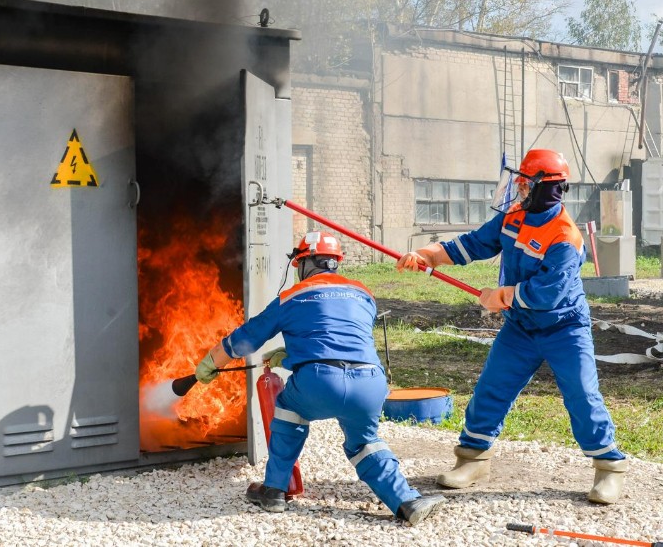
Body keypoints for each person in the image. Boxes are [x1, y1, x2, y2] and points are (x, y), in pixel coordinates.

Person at [396, 149, 628, 504]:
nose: (518, 187)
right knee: (492, 388)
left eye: (525, 181)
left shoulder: (565, 237)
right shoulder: (514, 217)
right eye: (518, 179)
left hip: (564, 328)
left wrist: (500, 295)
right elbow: (473, 244)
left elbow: (547, 294)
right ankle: (473, 461)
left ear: (546, 187)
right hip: (520, 328)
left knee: (582, 395)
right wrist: (428, 254)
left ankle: (608, 468)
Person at [195, 230, 446, 525]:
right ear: (335, 262)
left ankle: (274, 491)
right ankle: (405, 501)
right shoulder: (363, 293)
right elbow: (340, 337)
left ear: (303, 263)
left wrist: (213, 361)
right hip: (370, 382)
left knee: (288, 410)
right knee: (365, 442)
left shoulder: (291, 297)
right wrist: (291, 355)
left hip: (319, 383)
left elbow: (248, 337)